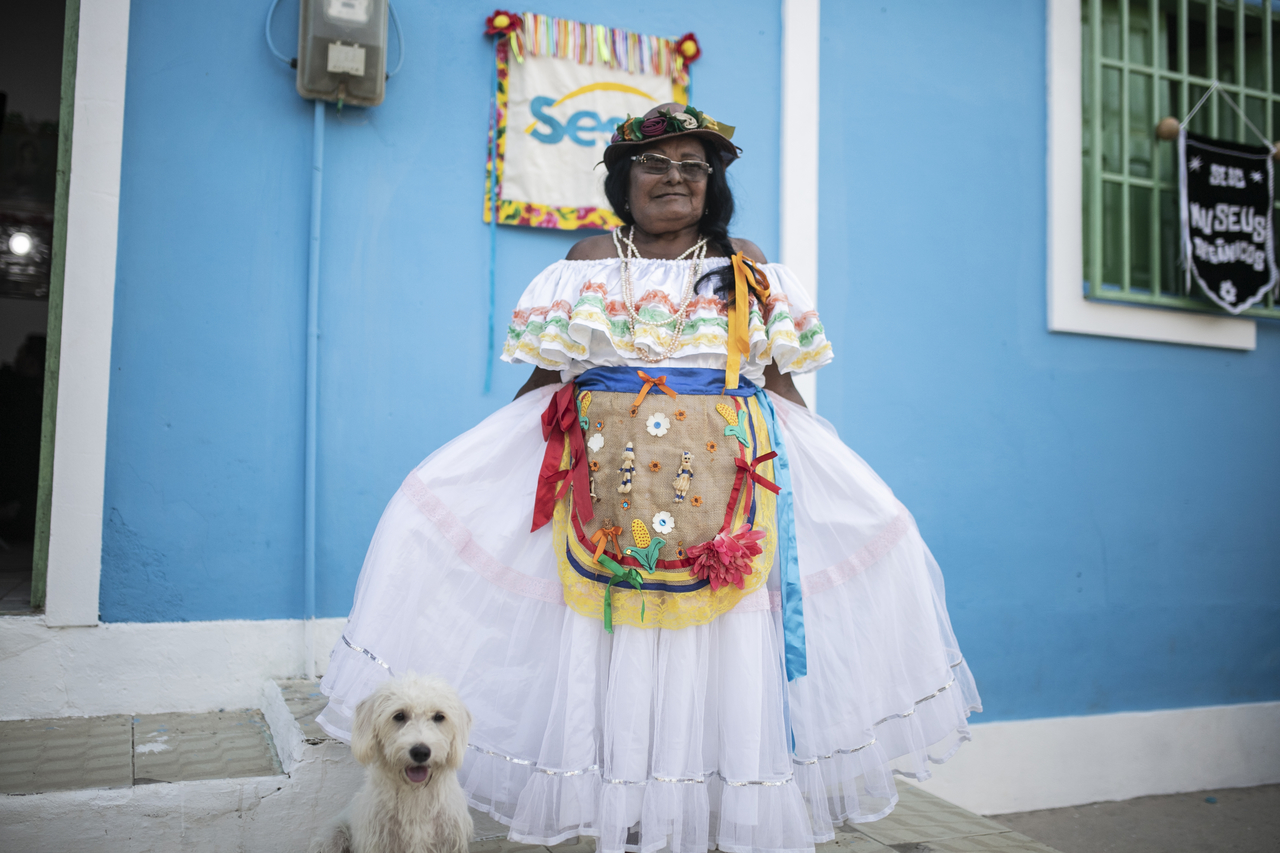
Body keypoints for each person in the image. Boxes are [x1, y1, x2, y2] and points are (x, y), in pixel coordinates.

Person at [317, 103, 980, 853]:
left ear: (713, 185)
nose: (674, 178)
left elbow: (779, 384)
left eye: (692, 167)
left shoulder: (746, 262)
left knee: (716, 653)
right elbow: (545, 378)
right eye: (655, 165)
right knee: (612, 653)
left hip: (726, 491)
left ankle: (700, 823)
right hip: (603, 490)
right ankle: (627, 818)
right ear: (623, 181)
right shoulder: (590, 258)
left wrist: (837, 469)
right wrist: (483, 471)